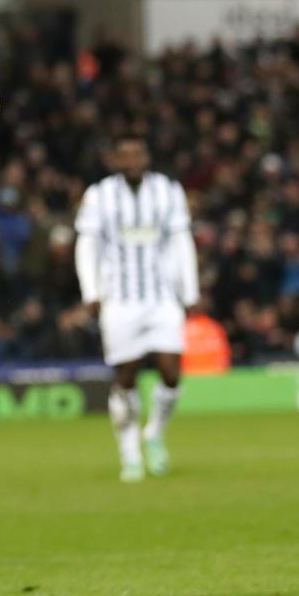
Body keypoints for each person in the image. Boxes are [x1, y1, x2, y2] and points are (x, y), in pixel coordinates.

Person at [74, 134, 199, 482]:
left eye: (137, 155)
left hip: (161, 298)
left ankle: (154, 433)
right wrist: (91, 292)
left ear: (146, 158)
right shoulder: (99, 195)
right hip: (120, 299)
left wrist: (189, 292)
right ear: (115, 160)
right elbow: (87, 245)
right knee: (125, 378)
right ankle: (129, 452)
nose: (131, 161)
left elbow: (181, 241)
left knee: (171, 373)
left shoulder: (168, 191)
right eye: (124, 155)